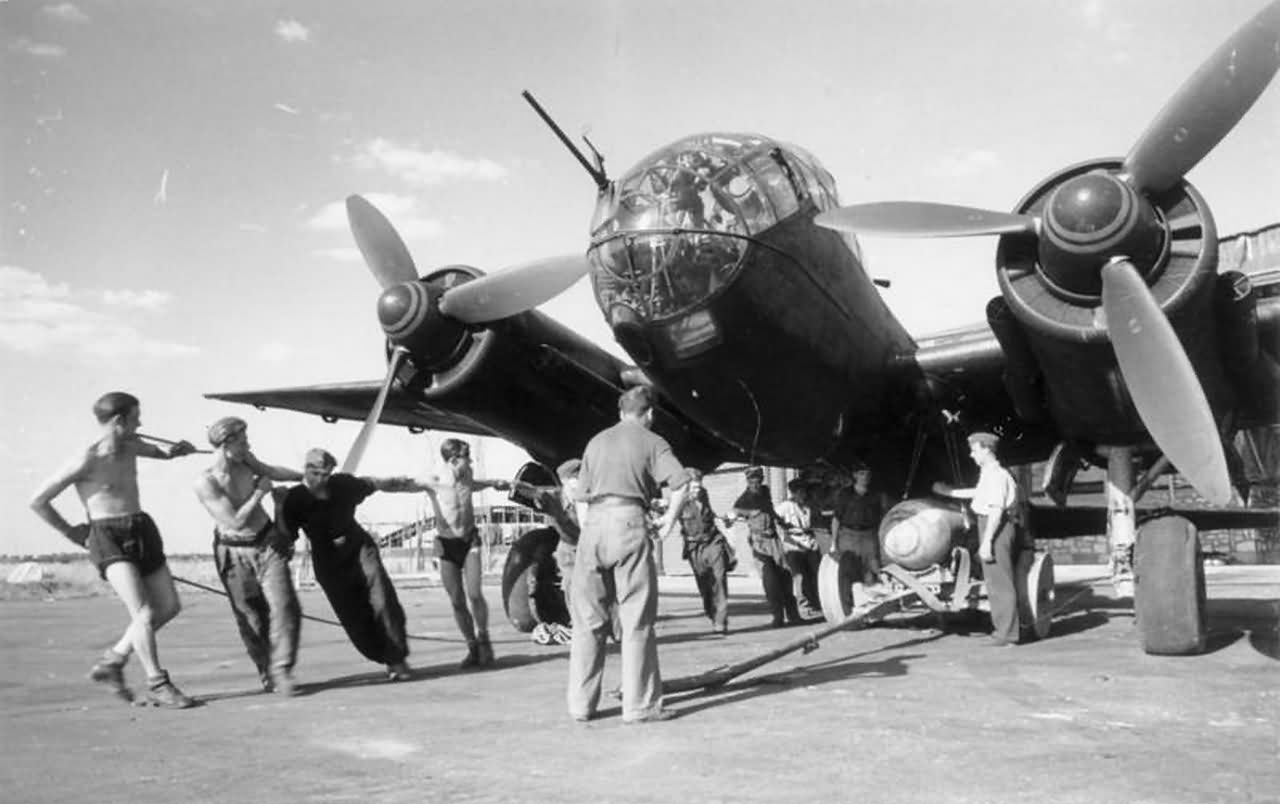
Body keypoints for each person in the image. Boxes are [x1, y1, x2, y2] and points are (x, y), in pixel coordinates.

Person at [28, 392, 199, 708]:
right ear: (119, 421)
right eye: (136, 418)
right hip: (107, 535)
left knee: (169, 606)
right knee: (144, 612)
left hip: (141, 527)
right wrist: (71, 532)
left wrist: (177, 452)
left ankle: (114, 660)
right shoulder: (86, 459)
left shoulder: (130, 445)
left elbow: (160, 452)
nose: (141, 424)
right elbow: (37, 500)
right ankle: (158, 683)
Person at [568, 386, 689, 724]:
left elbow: (580, 496)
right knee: (636, 619)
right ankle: (639, 706)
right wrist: (669, 521)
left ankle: (581, 705)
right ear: (649, 413)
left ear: (621, 412)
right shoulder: (653, 442)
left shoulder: (596, 441)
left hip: (593, 525)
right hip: (628, 521)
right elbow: (681, 484)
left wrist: (589, 528)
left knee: (588, 620)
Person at [277, 448, 432, 679]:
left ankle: (397, 660)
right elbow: (285, 537)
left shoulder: (343, 485)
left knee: (383, 598)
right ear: (306, 470)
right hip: (327, 559)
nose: (321, 479)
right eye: (316, 473)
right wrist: (278, 507)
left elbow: (374, 483)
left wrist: (402, 482)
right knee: (353, 614)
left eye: (326, 474)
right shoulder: (294, 499)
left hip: (359, 547)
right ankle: (383, 655)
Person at [193, 417, 304, 695]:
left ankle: (282, 669)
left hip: (267, 543)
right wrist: (259, 493)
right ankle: (267, 670)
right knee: (251, 618)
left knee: (286, 606)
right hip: (233, 551)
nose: (248, 445)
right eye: (242, 441)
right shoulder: (206, 482)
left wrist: (300, 476)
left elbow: (270, 471)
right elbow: (234, 522)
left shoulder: (246, 460)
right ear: (226, 444)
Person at [420, 438, 511, 669]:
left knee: (474, 593)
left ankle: (483, 639)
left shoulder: (467, 475)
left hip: (469, 539)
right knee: (457, 601)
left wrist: (494, 483)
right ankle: (472, 647)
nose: (470, 463)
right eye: (466, 459)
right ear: (453, 460)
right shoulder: (434, 480)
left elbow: (475, 484)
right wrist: (374, 484)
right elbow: (404, 484)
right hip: (446, 545)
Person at [950, 432, 1027, 647]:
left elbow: (995, 510)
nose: (972, 455)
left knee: (1000, 581)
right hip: (992, 525)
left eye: (975, 450)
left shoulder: (996, 475)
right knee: (995, 581)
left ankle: (1007, 634)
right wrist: (951, 492)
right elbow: (980, 493)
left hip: (997, 527)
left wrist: (987, 542)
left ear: (986, 449)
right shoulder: (989, 474)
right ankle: (1003, 630)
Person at [732, 466, 800, 627]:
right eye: (752, 481)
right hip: (759, 542)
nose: (756, 484)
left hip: (774, 540)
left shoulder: (765, 491)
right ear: (748, 482)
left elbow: (769, 509)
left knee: (785, 575)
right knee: (770, 581)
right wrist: (748, 513)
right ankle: (778, 617)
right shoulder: (745, 498)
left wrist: (781, 522)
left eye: (758, 480)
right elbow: (735, 511)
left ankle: (793, 615)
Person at [674, 468, 733, 634]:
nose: (697, 491)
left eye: (699, 487)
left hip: (713, 541)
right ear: (686, 487)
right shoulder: (678, 500)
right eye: (693, 488)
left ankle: (721, 621)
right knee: (704, 583)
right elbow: (667, 513)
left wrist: (724, 520)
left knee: (719, 578)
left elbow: (710, 514)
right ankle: (711, 612)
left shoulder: (704, 495)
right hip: (694, 547)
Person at [830, 464, 891, 599]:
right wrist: (833, 542)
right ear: (855, 475)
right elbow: (836, 518)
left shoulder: (876, 495)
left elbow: (884, 517)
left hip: (869, 535)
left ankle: (872, 600)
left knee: (872, 567)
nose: (865, 477)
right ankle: (849, 601)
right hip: (848, 535)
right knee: (849, 567)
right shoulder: (845, 494)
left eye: (867, 474)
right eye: (861, 473)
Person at [776, 479, 823, 620]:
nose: (803, 495)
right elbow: (775, 519)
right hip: (794, 547)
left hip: (810, 545)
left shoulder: (808, 507)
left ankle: (817, 604)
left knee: (815, 576)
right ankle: (805, 607)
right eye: (800, 492)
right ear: (794, 493)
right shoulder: (785, 506)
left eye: (804, 492)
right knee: (800, 577)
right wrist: (785, 529)